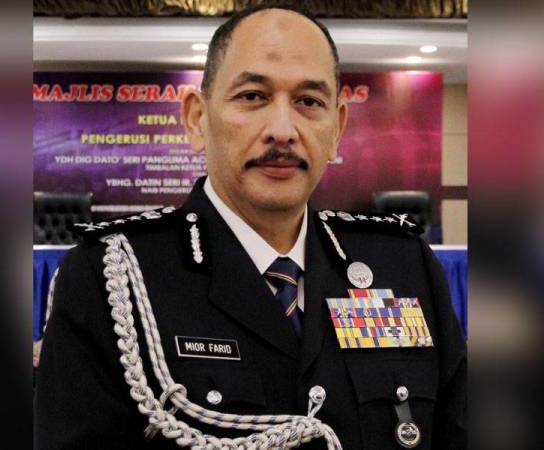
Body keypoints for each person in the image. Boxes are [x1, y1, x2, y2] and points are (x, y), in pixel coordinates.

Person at [35, 4, 466, 449]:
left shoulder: (404, 267)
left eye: (308, 102)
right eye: (253, 96)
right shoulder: (112, 280)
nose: (282, 130)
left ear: (336, 129)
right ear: (197, 119)